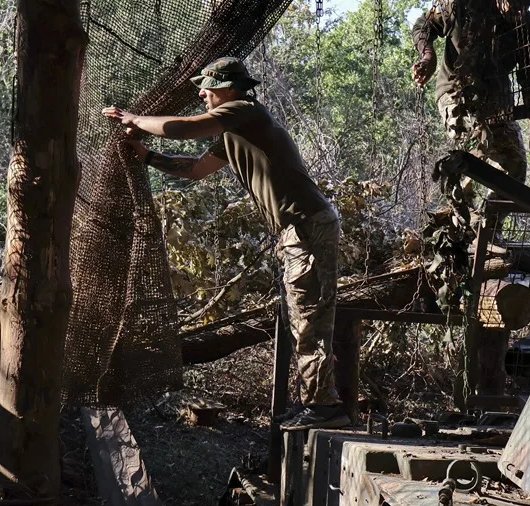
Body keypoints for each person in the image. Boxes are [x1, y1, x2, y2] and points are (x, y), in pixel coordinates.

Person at [103, 57, 350, 431]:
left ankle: (325, 409)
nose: (202, 93)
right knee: (302, 317)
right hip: (296, 231)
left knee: (309, 318)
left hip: (305, 227)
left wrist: (134, 119)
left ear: (228, 89)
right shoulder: (236, 131)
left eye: (207, 86)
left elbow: (184, 129)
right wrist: (149, 157)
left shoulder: (244, 110)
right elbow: (197, 169)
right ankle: (317, 405)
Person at [411, 0, 530, 194]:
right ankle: (463, 210)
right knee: (475, 145)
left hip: (497, 102)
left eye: (525, 6)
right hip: (457, 92)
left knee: (516, 167)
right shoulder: (465, 5)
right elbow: (423, 25)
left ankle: (488, 223)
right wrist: (428, 56)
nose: (519, 11)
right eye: (515, 4)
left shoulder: (527, 26)